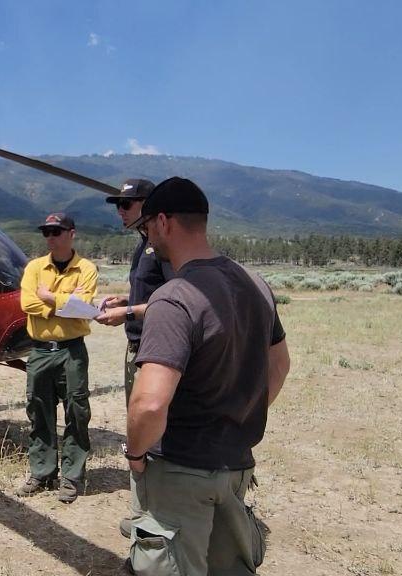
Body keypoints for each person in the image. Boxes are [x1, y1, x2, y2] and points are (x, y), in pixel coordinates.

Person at [123, 177, 291, 576]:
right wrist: (239, 411)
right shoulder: (255, 284)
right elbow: (280, 365)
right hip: (236, 465)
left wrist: (134, 453)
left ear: (163, 222)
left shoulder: (174, 296)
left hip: (181, 469)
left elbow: (149, 402)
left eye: (147, 228)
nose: (148, 239)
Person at [94, 178, 170, 534]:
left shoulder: (163, 249)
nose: (120, 212)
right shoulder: (144, 247)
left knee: (148, 429)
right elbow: (149, 293)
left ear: (148, 206)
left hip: (152, 347)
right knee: (138, 428)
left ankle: (153, 514)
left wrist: (127, 313)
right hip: (137, 345)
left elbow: (173, 301)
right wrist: (124, 301)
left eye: (126, 205)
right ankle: (145, 510)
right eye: (117, 206)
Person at [17, 212, 99, 503]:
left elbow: (84, 306)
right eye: (47, 232)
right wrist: (66, 302)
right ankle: (42, 472)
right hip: (40, 350)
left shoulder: (86, 269)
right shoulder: (34, 267)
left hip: (71, 350)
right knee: (39, 411)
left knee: (76, 411)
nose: (50, 237)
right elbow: (27, 302)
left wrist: (49, 297)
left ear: (71, 233)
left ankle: (72, 477)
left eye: (56, 231)